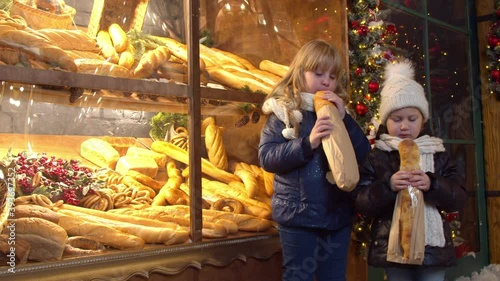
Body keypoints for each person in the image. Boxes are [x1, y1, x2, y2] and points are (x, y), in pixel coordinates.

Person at [258, 39, 371, 281]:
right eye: (319, 73)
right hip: (297, 215)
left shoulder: (341, 112)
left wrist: (346, 120)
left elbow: (364, 155)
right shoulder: (284, 111)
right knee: (299, 276)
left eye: (332, 75)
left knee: (334, 276)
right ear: (300, 73)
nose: (326, 81)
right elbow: (267, 157)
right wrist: (307, 143)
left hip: (337, 213)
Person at [353, 61, 468, 281]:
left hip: (432, 249)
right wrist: (388, 186)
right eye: (397, 119)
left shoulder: (437, 153)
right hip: (393, 246)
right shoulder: (378, 155)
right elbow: (361, 200)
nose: (404, 126)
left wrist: (433, 184)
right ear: (386, 121)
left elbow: (458, 196)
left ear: (423, 121)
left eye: (411, 119)